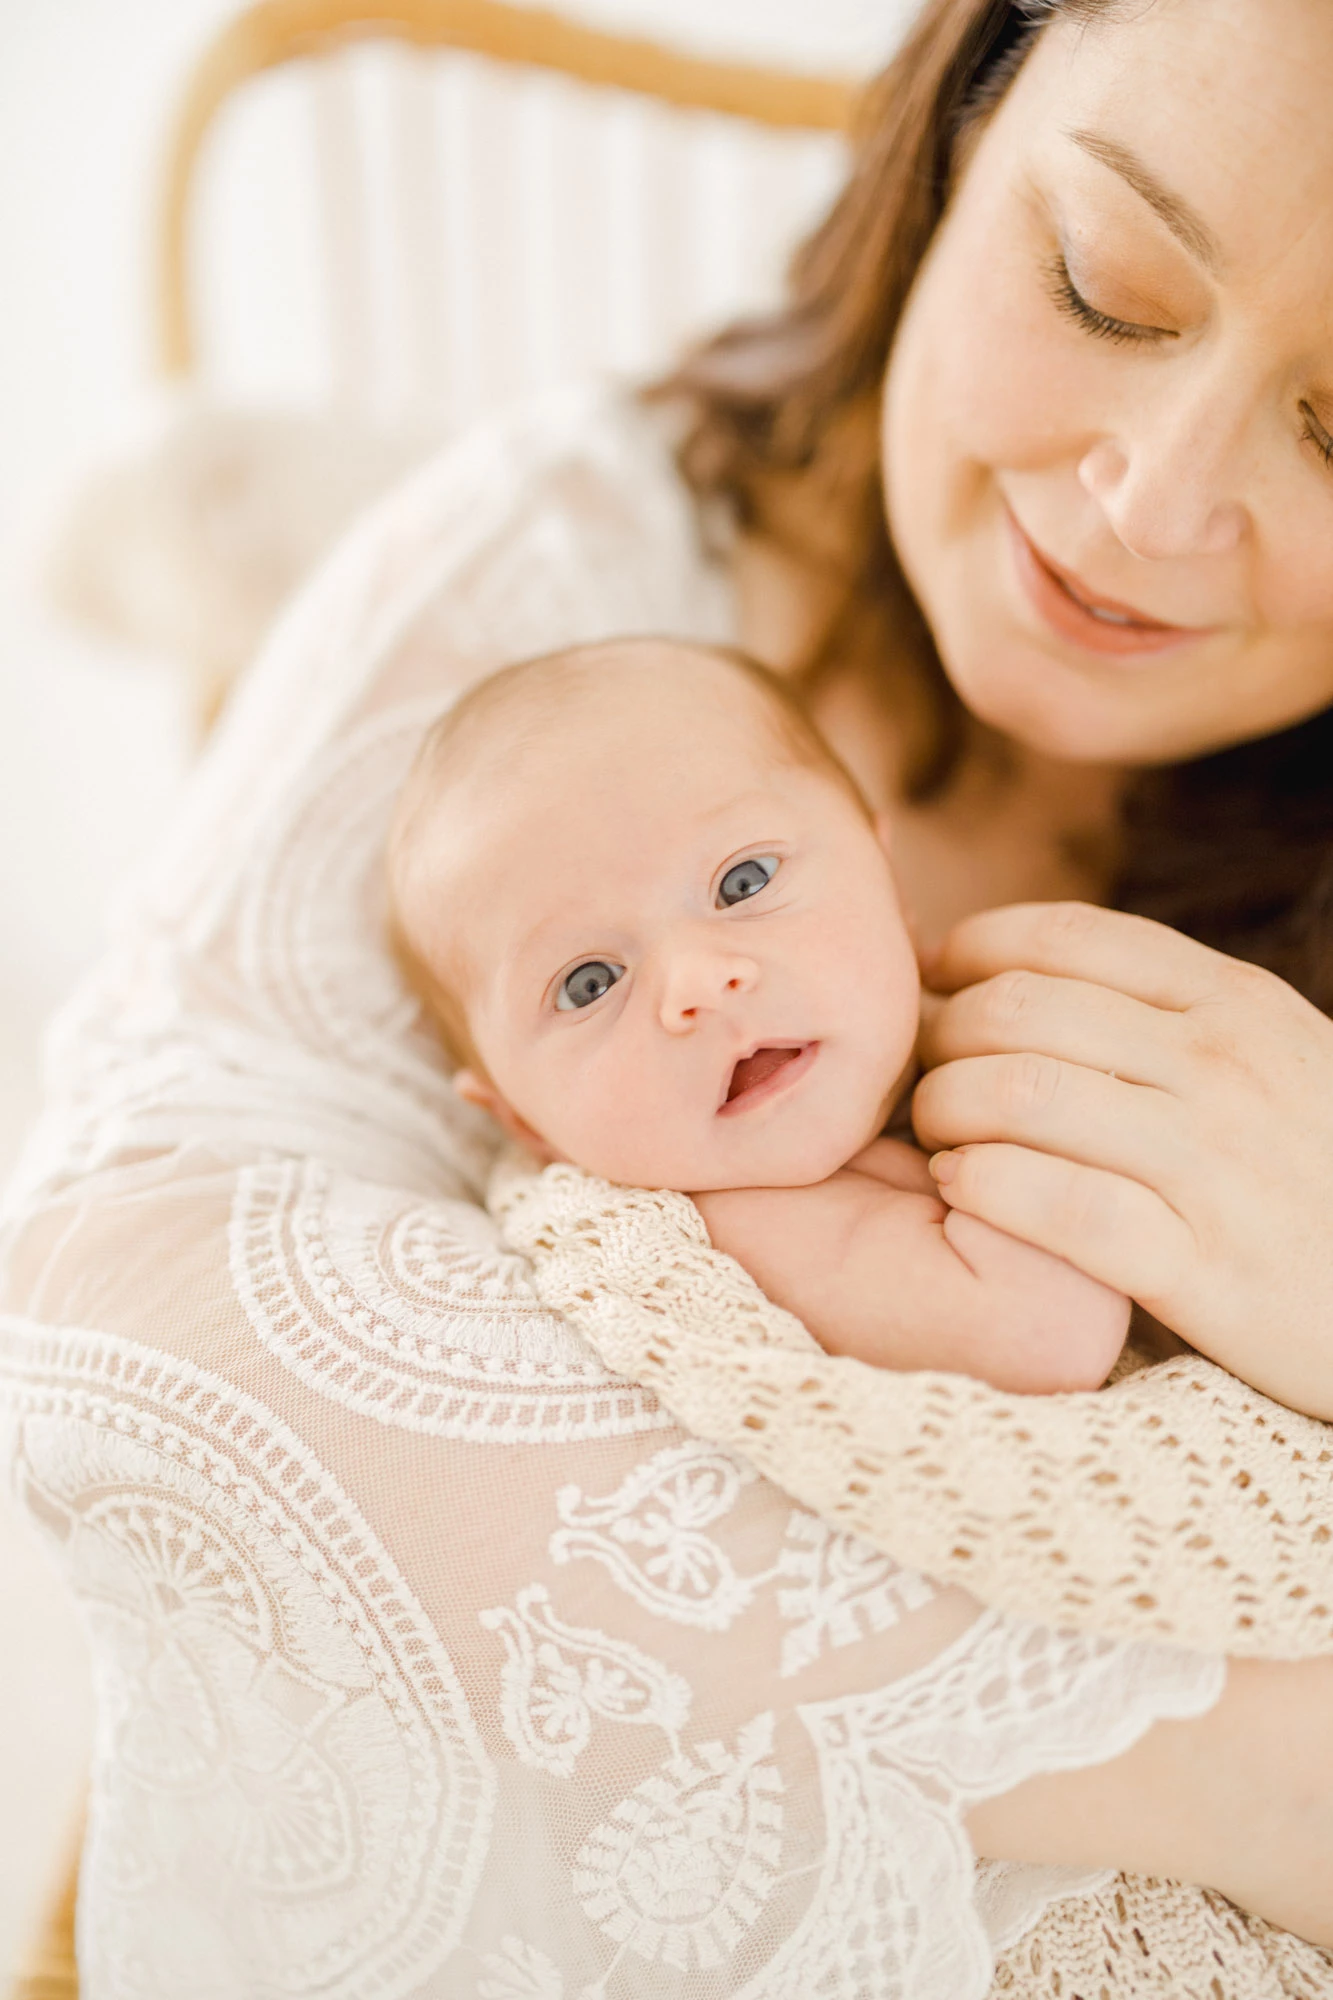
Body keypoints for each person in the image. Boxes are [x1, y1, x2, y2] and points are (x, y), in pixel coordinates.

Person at [4, 0, 1333, 1989]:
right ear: (959, 129)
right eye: (1105, 286)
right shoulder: (565, 586)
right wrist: (1236, 1762)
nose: (1148, 500)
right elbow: (123, 1304)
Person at [388, 635, 1130, 1393]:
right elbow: (1043, 1334)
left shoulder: (993, 998)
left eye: (742, 883)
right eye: (589, 983)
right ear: (524, 1121)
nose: (700, 983)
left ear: (887, 879)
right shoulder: (749, 1222)